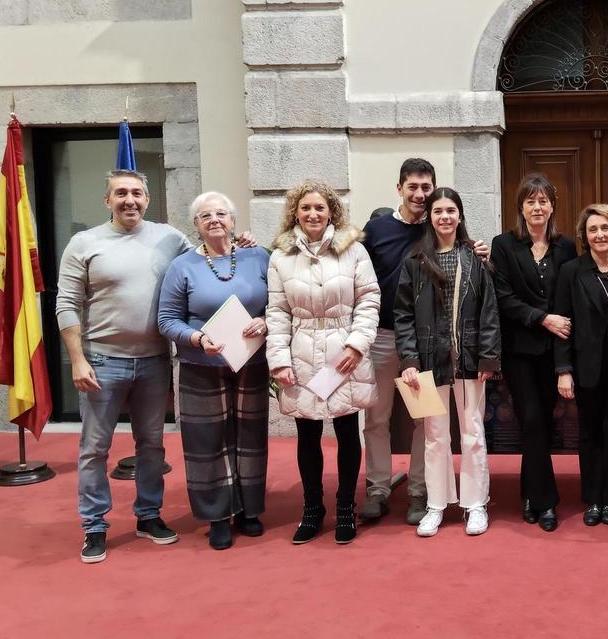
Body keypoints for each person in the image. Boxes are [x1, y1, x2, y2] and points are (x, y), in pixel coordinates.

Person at [57, 170, 190, 563]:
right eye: (120, 193)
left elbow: (203, 263)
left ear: (148, 200)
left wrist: (241, 243)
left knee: (152, 445)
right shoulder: (84, 243)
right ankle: (94, 526)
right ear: (107, 201)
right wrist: (77, 359)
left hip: (153, 361)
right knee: (94, 448)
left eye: (136, 193)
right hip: (101, 362)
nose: (129, 199)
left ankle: (148, 516)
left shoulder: (170, 239)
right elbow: (66, 303)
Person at [359, 159, 490, 526]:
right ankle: (379, 488)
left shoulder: (440, 233)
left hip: (433, 348)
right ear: (399, 188)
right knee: (377, 417)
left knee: (427, 422)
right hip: (386, 338)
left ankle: (421, 491)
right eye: (412, 187)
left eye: (426, 188)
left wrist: (480, 253)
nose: (420, 194)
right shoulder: (377, 229)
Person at [266, 180, 381, 546]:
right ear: (295, 213)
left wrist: (357, 345)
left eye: (319, 207)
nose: (313, 214)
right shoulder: (281, 256)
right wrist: (279, 359)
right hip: (301, 351)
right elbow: (277, 311)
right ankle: (312, 509)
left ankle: (345, 507)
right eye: (305, 208)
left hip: (342, 351)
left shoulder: (353, 251)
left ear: (331, 210)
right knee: (308, 434)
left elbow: (369, 299)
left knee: (348, 431)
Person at [157, 192, 270, 551]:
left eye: (221, 213)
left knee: (250, 438)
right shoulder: (182, 266)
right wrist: (195, 337)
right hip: (200, 366)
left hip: (251, 362)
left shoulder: (258, 256)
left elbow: (279, 303)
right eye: (205, 215)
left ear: (233, 220)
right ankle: (218, 516)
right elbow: (166, 320)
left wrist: (265, 322)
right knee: (207, 443)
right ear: (196, 225)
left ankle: (249, 510)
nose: (215, 220)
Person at [396, 188, 501, 538]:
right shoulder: (414, 261)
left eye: (451, 210)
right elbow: (403, 315)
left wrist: (489, 356)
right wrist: (409, 359)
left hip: (470, 360)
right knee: (434, 436)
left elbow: (490, 312)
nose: (444, 217)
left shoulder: (475, 259)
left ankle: (476, 505)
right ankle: (436, 505)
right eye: (438, 210)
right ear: (430, 217)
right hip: (427, 361)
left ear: (460, 215)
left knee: (472, 433)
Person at [490, 174, 577, 533]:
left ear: (552, 206)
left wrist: (563, 358)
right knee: (533, 422)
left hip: (555, 350)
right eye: (530, 201)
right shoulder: (504, 244)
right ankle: (545, 503)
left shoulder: (566, 247)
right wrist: (542, 318)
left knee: (540, 423)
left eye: (543, 201)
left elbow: (568, 299)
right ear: (521, 208)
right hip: (521, 352)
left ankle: (530, 490)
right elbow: (504, 297)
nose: (537, 207)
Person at [554, 204, 608, 526]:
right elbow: (562, 322)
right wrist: (563, 369)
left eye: (605, 228)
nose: (600, 234)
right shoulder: (572, 270)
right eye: (593, 230)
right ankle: (593, 499)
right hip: (587, 365)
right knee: (590, 434)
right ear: (585, 236)